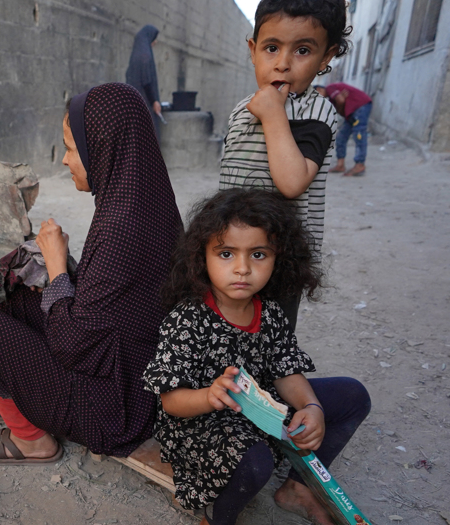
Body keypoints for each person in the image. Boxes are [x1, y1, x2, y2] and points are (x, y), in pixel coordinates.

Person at [0, 83, 182, 464]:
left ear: (101, 149)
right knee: (17, 290)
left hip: (111, 411)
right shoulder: (147, 199)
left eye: (72, 148)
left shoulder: (121, 229)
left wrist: (56, 263)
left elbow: (74, 345)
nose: (66, 160)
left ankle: (31, 438)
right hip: (132, 381)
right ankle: (12, 400)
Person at [142, 188, 371, 525]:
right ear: (201, 257)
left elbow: (286, 369)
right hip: (202, 422)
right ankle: (220, 518)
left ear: (280, 258)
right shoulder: (188, 319)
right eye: (226, 254)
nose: (243, 269)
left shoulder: (271, 313)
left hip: (260, 408)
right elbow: (172, 401)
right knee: (255, 461)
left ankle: (295, 487)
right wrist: (210, 395)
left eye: (258, 254)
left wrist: (312, 407)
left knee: (353, 396)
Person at [218, 0, 349, 334]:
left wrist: (274, 114)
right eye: (271, 48)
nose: (283, 63)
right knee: (223, 334)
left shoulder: (317, 113)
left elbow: (292, 182)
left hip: (276, 262)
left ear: (327, 56)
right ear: (252, 49)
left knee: (269, 342)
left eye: (302, 50)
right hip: (230, 253)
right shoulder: (242, 108)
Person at [315, 83, 373, 176]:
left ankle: (360, 164)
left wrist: (340, 104)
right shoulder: (331, 99)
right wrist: (339, 104)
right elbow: (340, 106)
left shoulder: (330, 88)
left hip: (360, 106)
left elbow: (341, 101)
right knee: (341, 137)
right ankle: (340, 165)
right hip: (350, 113)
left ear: (319, 89)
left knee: (359, 134)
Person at [125, 25, 163, 138]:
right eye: (154, 38)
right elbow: (146, 81)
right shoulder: (145, 55)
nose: (155, 42)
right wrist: (154, 101)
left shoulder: (137, 53)